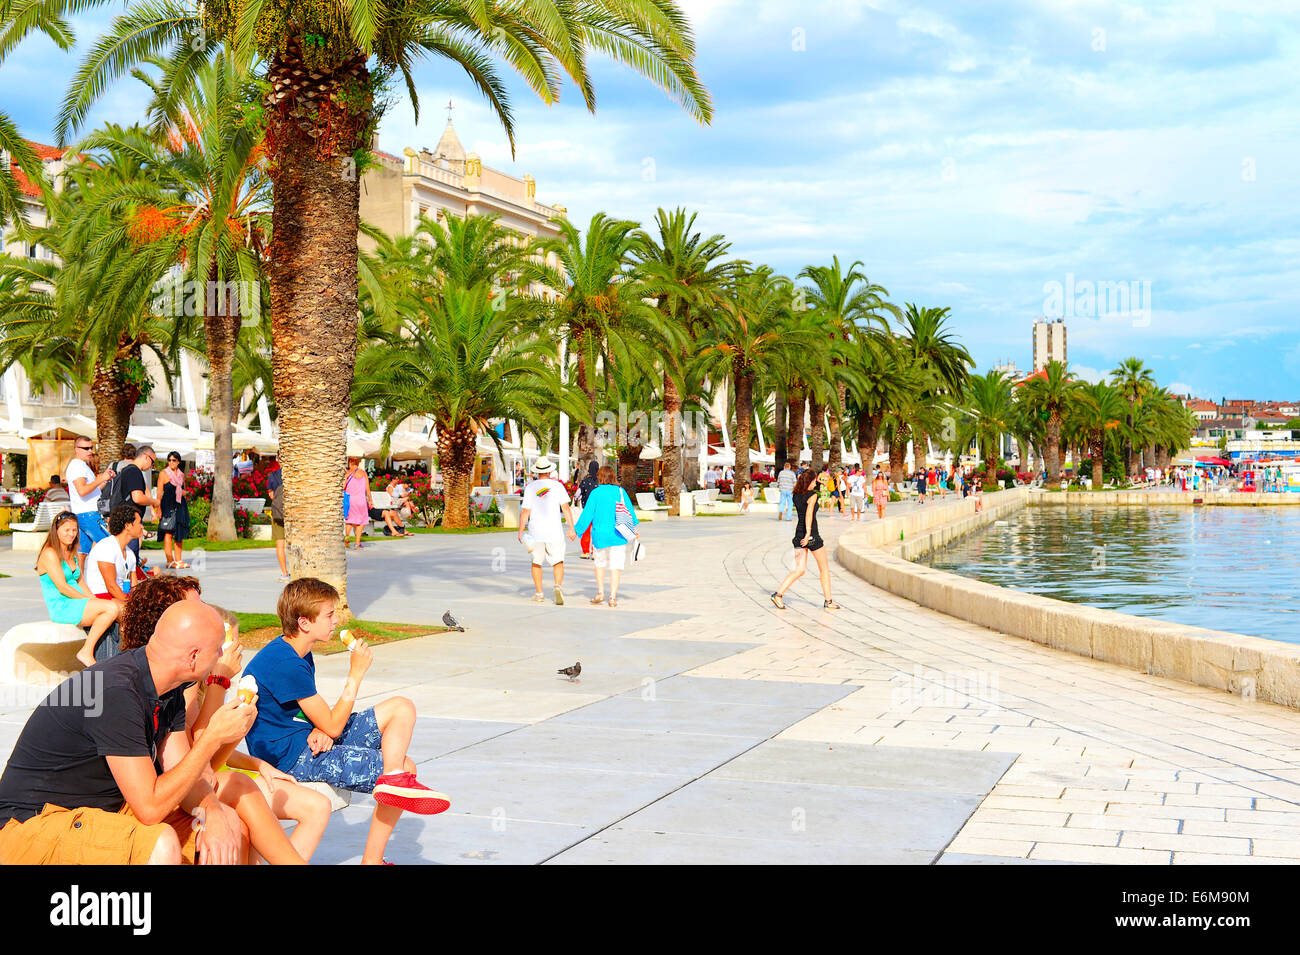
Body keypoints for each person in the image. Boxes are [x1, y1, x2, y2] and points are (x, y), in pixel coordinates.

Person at [0, 600, 257, 865]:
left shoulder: (168, 687)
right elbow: (150, 809)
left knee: (229, 825)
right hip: (31, 824)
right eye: (217, 650)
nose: (220, 657)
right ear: (193, 656)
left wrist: (213, 811)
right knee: (160, 843)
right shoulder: (117, 692)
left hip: (96, 812)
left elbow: (182, 772)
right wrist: (212, 737)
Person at [243, 578, 450, 865]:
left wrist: (319, 726)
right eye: (329, 614)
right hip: (293, 758)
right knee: (407, 767)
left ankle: (392, 777)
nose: (335, 620)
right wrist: (355, 674)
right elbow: (334, 726)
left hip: (307, 738)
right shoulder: (286, 663)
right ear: (304, 623)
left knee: (402, 708)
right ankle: (373, 859)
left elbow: (305, 710)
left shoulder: (297, 651)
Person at [120, 577, 327, 863]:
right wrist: (219, 680)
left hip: (184, 781)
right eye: (196, 606)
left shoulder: (178, 685)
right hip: (151, 798)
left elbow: (201, 760)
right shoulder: (171, 684)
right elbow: (202, 755)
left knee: (305, 805)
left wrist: (255, 761)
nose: (207, 612)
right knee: (243, 807)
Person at [35, 510, 120, 669]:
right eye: (67, 530)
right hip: (62, 606)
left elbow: (81, 582)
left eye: (74, 530)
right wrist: (89, 601)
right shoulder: (50, 553)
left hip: (76, 602)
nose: (71, 534)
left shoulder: (70, 552)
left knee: (119, 607)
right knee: (110, 608)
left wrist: (94, 599)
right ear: (56, 530)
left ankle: (120, 654)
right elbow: (63, 587)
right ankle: (86, 651)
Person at [770, 468, 839, 610]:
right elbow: (809, 515)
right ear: (810, 481)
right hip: (811, 535)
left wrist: (804, 535)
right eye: (814, 481)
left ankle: (778, 595)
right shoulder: (812, 495)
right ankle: (828, 601)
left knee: (799, 569)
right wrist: (808, 535)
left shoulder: (796, 494)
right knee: (824, 569)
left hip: (798, 534)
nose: (816, 483)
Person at [571, 465, 639, 608]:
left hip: (600, 534)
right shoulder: (620, 491)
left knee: (600, 563)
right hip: (618, 534)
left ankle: (601, 593)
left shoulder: (596, 493)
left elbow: (587, 515)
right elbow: (630, 512)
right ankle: (612, 597)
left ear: (600, 477)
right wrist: (634, 529)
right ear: (613, 476)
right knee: (616, 566)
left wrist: (576, 531)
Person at [517, 456, 577, 605]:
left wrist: (520, 531)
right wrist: (572, 528)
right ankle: (557, 586)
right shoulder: (557, 487)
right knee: (558, 561)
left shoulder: (531, 487)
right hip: (554, 531)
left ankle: (539, 593)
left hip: (535, 532)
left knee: (536, 562)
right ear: (550, 471)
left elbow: (525, 511)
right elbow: (566, 508)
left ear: (537, 472)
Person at [65, 435, 114, 573]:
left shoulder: (81, 466)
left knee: (82, 553)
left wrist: (106, 480)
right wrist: (101, 478)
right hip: (89, 514)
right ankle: (109, 581)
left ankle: (79, 586)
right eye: (86, 448)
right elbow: (82, 490)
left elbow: (92, 491)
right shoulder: (77, 466)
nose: (90, 451)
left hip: (83, 514)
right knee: (109, 546)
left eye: (91, 447)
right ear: (76, 449)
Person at [85, 504, 144, 603]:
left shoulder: (130, 554)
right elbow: (111, 587)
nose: (142, 526)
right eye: (139, 523)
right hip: (102, 598)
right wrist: (132, 606)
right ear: (128, 526)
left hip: (120, 597)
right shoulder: (106, 547)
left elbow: (134, 587)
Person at [115, 444, 160, 572]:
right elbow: (138, 497)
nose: (152, 466)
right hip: (131, 521)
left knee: (127, 557)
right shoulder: (134, 471)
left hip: (126, 519)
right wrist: (154, 501)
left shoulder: (127, 470)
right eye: (152, 462)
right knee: (130, 558)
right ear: (146, 457)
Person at [159, 451, 191, 569]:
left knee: (179, 532)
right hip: (167, 505)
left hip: (180, 505)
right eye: (169, 460)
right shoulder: (163, 474)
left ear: (178, 462)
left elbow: (183, 489)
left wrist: (184, 493)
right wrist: (157, 508)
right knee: (168, 532)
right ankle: (170, 560)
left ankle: (178, 560)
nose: (171, 462)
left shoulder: (181, 475)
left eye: (174, 460)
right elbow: (159, 493)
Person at [266, 457, 288, 581]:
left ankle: (285, 573)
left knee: (280, 545)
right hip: (295, 513)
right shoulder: (296, 474)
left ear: (278, 458)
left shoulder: (273, 475)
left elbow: (271, 495)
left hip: (279, 514)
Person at [343, 456, 372, 549]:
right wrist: (371, 500)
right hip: (361, 501)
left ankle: (347, 538)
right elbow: (367, 489)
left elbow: (343, 488)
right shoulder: (363, 473)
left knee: (349, 520)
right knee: (360, 522)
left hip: (350, 501)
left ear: (349, 462)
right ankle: (357, 543)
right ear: (358, 463)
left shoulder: (347, 474)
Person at [576, 461, 600, 559]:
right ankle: (595, 552)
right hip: (598, 511)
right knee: (596, 530)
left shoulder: (585, 481)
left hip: (587, 510)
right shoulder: (601, 481)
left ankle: (585, 552)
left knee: (586, 531)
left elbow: (577, 495)